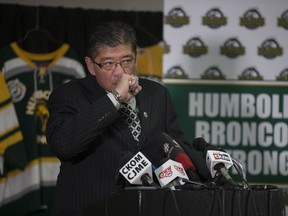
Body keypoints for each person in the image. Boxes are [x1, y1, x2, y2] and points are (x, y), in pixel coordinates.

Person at [46, 21, 210, 216]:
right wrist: (114, 99)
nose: (120, 72)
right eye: (108, 64)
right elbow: (64, 145)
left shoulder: (156, 94)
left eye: (126, 61)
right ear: (91, 65)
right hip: (89, 209)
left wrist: (212, 173)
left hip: (147, 209)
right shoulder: (69, 95)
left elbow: (177, 148)